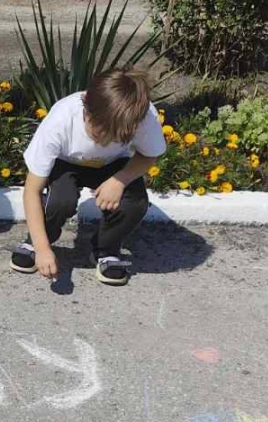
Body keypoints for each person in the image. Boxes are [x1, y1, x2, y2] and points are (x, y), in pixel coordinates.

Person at [12, 69, 166, 286]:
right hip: (66, 162)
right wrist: (42, 248)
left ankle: (106, 250)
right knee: (61, 201)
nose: (105, 141)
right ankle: (37, 241)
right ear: (86, 109)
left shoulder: (140, 114)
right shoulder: (61, 119)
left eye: (115, 137)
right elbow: (32, 190)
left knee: (136, 202)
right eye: (100, 133)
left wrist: (120, 179)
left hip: (114, 163)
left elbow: (150, 155)